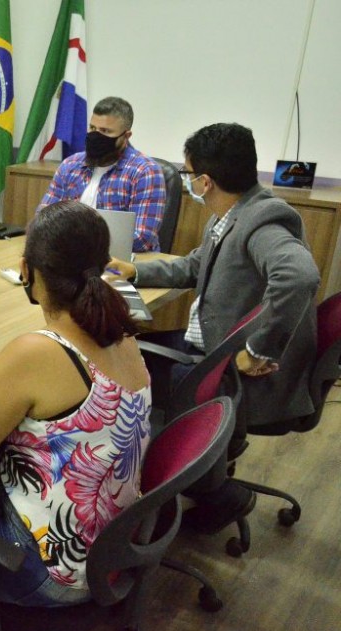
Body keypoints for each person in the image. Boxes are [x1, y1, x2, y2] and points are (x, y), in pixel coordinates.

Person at [0, 201, 151, 606]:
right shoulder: (123, 336)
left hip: (50, 574)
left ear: (27, 270)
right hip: (108, 552)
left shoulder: (37, 352)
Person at [108, 122, 319, 531]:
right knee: (130, 350)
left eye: (187, 174)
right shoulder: (232, 213)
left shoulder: (263, 221)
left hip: (232, 364)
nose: (187, 182)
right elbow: (196, 265)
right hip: (211, 343)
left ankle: (213, 492)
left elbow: (299, 277)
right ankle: (197, 468)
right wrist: (135, 271)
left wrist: (259, 350)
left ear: (205, 181)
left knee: (122, 371)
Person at [38, 97, 165, 253]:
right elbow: (43, 218)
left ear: (126, 136)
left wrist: (76, 241)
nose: (96, 136)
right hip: (70, 255)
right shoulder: (70, 165)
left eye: (105, 131)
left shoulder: (145, 172)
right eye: (92, 128)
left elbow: (141, 238)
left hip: (123, 261)